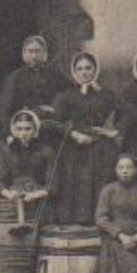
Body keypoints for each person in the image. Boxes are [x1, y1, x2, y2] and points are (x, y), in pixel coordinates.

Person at [51, 52, 121, 226]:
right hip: (75, 146)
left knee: (101, 180)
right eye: (80, 69)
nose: (84, 72)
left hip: (100, 145)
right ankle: (77, 222)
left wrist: (113, 131)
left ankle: (100, 221)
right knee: (78, 182)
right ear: (74, 72)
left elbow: (129, 112)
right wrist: (73, 133)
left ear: (95, 69)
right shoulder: (66, 95)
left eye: (88, 68)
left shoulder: (106, 94)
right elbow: (55, 122)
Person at [0, 110, 58, 273]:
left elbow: (54, 186)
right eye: (19, 129)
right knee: (17, 255)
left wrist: (35, 195)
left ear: (35, 129)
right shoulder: (7, 151)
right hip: (13, 207)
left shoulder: (46, 151)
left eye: (27, 129)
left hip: (39, 207)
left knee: (38, 252)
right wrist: (9, 194)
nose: (23, 133)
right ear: (13, 129)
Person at [0, 34, 71, 134]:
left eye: (38, 51)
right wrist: (11, 133)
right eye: (30, 51)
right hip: (24, 127)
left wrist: (55, 108)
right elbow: (5, 111)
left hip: (51, 124)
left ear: (45, 54)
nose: (34, 56)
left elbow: (70, 96)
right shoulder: (14, 78)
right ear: (24, 54)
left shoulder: (55, 75)